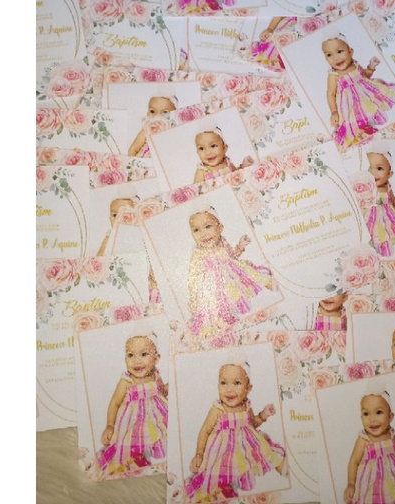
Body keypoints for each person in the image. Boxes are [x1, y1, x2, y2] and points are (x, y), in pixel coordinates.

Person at [184, 359, 286, 500]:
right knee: (220, 472)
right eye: (223, 383)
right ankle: (225, 488)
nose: (229, 389)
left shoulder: (246, 406)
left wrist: (263, 415)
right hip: (223, 451)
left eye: (236, 383)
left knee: (266, 450)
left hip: (246, 447)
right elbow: (205, 430)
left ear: (248, 388)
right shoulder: (218, 409)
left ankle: (284, 470)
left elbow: (252, 424)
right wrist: (199, 454)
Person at [187, 206, 275, 336]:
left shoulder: (222, 242)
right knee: (224, 304)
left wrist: (241, 245)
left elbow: (232, 256)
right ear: (192, 234)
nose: (203, 234)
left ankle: (272, 286)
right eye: (196, 230)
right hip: (219, 284)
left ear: (220, 228)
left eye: (208, 226)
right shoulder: (198, 253)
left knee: (254, 275)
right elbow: (193, 275)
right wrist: (195, 297)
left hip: (235, 272)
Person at [97, 331, 169, 475]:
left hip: (156, 417)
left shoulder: (156, 375)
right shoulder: (127, 380)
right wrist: (110, 425)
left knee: (160, 434)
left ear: (156, 359)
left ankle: (149, 453)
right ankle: (133, 460)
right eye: (131, 355)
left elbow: (162, 391)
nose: (137, 361)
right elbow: (115, 402)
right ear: (125, 358)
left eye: (144, 354)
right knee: (130, 442)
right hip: (132, 421)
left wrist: (169, 387)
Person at [322, 33, 395, 148]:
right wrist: (334, 111)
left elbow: (365, 76)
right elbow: (330, 94)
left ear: (351, 52)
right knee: (355, 121)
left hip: (367, 96)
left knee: (385, 92)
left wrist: (371, 67)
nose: (335, 58)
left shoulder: (355, 65)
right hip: (350, 106)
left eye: (339, 51)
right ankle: (365, 131)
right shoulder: (334, 75)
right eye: (329, 55)